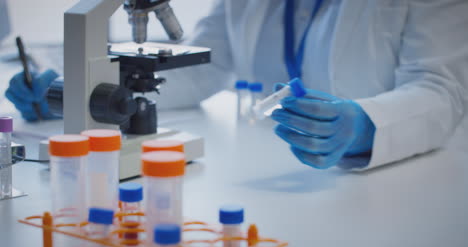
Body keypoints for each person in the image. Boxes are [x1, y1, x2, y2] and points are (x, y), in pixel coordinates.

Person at [5, 0, 468, 170]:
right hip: (264, 179)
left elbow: (438, 87)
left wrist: (368, 126)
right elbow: (206, 64)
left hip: (394, 189)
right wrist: (71, 92)